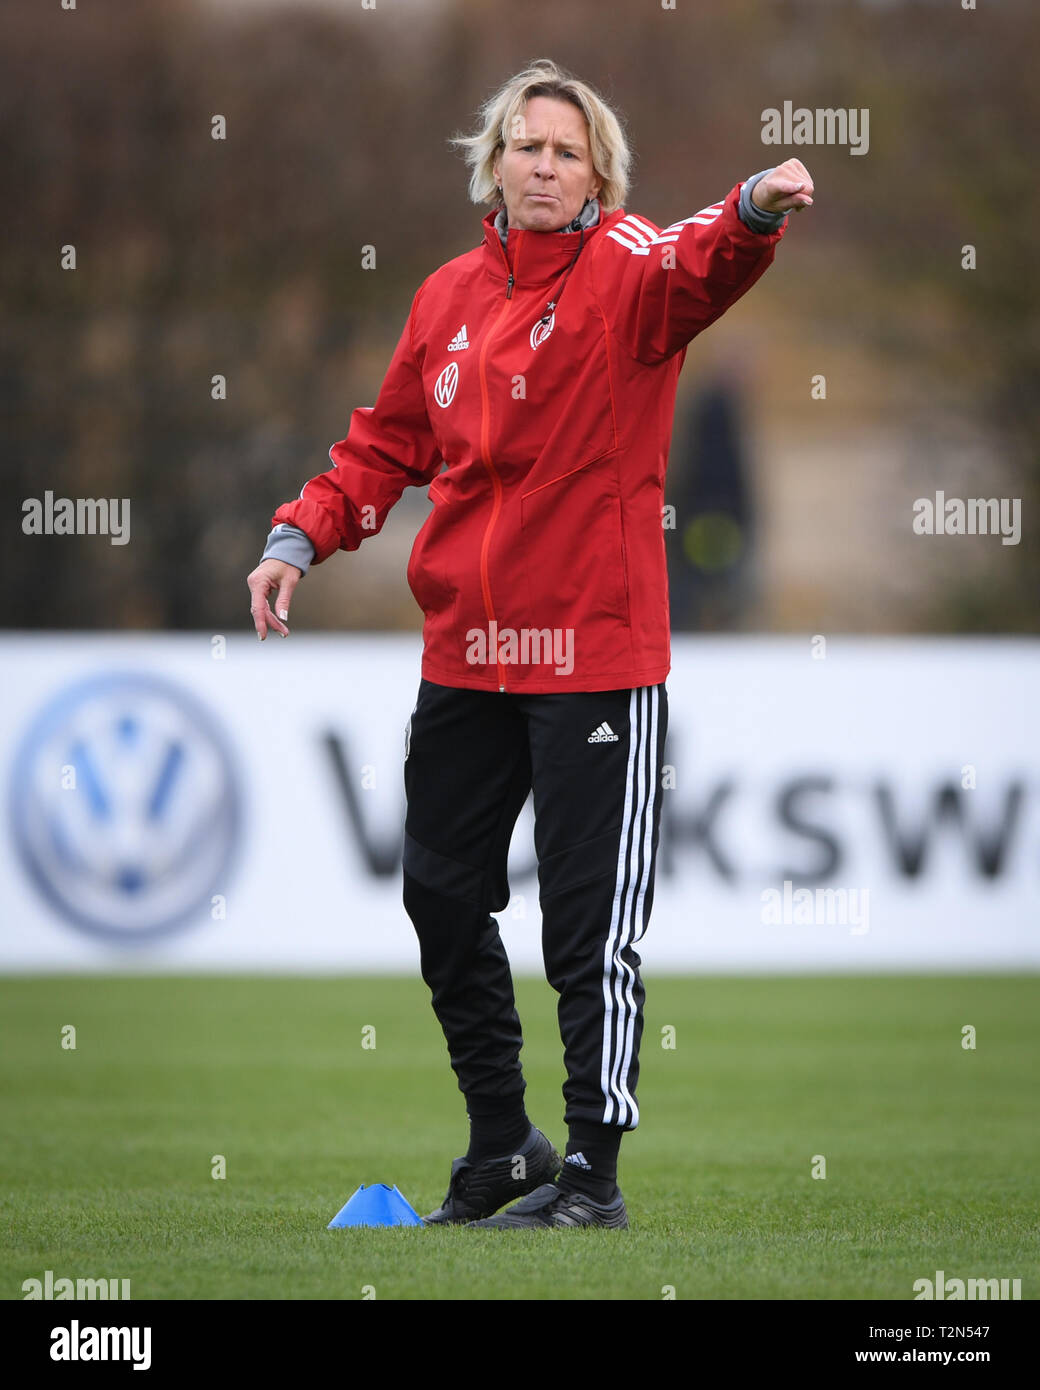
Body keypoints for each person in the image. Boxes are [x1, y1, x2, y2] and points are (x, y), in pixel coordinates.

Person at [247, 58, 813, 1230]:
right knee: (440, 899)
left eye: (566, 150)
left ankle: (593, 1178)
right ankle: (504, 1145)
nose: (543, 165)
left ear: (596, 173)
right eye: (525, 145)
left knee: (584, 926)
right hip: (466, 653)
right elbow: (382, 445)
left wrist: (751, 208)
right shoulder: (445, 295)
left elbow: (695, 261)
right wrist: (299, 535)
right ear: (493, 165)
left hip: (593, 657)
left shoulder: (624, 273)